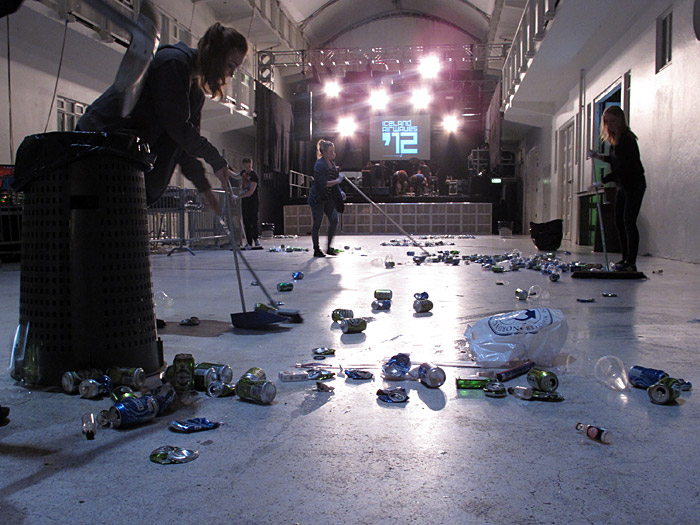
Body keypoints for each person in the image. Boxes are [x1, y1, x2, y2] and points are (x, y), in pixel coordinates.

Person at [77, 23, 247, 213]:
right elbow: (176, 127)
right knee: (88, 217)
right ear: (216, 57)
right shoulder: (172, 63)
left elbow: (183, 145)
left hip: (120, 150)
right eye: (231, 65)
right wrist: (215, 159)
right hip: (99, 139)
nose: (231, 74)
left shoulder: (194, 92)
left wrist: (205, 189)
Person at [589, 105, 646, 272]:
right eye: (607, 122)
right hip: (623, 185)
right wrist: (598, 156)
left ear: (620, 119)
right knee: (619, 222)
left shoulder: (627, 139)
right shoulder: (615, 140)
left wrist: (604, 180)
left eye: (613, 121)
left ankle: (631, 262)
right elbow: (615, 161)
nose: (610, 124)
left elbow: (624, 166)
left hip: (634, 184)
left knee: (629, 221)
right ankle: (624, 259)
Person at [309, 139, 344, 257]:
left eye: (333, 151)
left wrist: (340, 191)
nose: (333, 153)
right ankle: (316, 249)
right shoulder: (319, 165)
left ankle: (328, 247)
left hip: (329, 198)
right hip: (318, 198)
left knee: (334, 219)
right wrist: (338, 180)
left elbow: (335, 184)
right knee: (317, 223)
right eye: (330, 151)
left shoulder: (332, 164)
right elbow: (323, 183)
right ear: (323, 152)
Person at [238, 157, 260, 249]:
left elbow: (251, 192)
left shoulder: (254, 176)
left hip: (253, 201)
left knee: (253, 221)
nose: (247, 168)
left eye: (249, 166)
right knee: (246, 222)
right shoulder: (243, 173)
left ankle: (256, 239)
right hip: (245, 201)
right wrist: (226, 169)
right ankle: (249, 242)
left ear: (251, 165)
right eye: (246, 166)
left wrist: (238, 196)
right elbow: (235, 175)